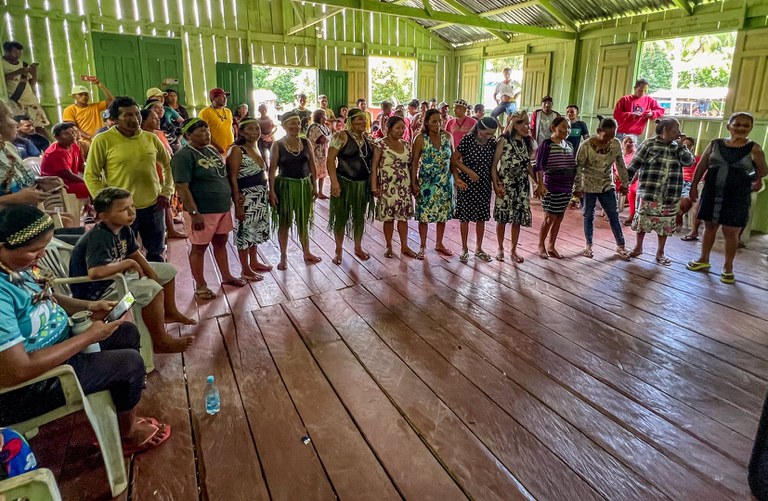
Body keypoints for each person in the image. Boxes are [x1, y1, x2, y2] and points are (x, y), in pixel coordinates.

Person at [0, 205, 171, 456]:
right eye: (34, 251)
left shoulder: (16, 270)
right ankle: (127, 435)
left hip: (57, 352)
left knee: (125, 333)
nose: (41, 255)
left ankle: (117, 412)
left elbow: (47, 298)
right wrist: (88, 337)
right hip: (30, 388)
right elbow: (18, 370)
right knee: (130, 363)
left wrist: (90, 306)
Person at [69, 188, 196, 352]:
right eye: (123, 210)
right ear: (103, 216)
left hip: (115, 278)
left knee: (167, 271)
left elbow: (135, 254)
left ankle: (169, 312)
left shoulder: (124, 229)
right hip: (97, 293)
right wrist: (127, 264)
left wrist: (152, 274)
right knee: (152, 290)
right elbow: (95, 273)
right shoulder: (100, 236)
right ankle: (160, 341)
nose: (131, 213)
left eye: (132, 207)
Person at [85, 96, 173, 262]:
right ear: (115, 119)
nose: (135, 119)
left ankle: (156, 285)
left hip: (153, 206)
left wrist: (167, 191)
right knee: (124, 256)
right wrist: (106, 203)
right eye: (128, 115)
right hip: (121, 210)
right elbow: (91, 175)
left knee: (156, 252)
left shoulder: (150, 138)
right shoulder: (102, 140)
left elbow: (168, 165)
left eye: (137, 114)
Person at [686, 112, 767, 284]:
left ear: (751, 128)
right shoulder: (715, 144)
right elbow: (702, 166)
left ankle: (728, 267)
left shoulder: (755, 148)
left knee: (731, 232)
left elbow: (762, 171)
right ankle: (703, 259)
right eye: (737, 124)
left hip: (737, 196)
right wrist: (693, 187)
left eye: (746, 125)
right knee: (709, 227)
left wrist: (754, 176)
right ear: (728, 126)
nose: (741, 128)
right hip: (712, 192)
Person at [173, 118, 247, 299]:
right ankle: (200, 285)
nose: (206, 135)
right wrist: (193, 213)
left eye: (207, 131)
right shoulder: (184, 156)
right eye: (201, 132)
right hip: (202, 211)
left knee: (221, 243)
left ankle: (227, 276)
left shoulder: (211, 151)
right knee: (199, 248)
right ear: (188, 135)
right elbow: (182, 187)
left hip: (221, 208)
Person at [627, 117, 694, 265]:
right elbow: (634, 165)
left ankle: (660, 252)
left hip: (670, 193)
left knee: (664, 224)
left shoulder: (678, 147)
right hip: (649, 192)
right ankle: (638, 247)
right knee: (643, 221)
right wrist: (625, 183)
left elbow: (689, 162)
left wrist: (683, 146)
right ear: (665, 130)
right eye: (676, 129)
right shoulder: (649, 144)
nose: (679, 132)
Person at [269, 111, 322, 270]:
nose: (296, 126)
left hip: (304, 186)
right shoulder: (277, 145)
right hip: (285, 186)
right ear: (284, 126)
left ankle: (307, 252)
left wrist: (314, 185)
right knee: (284, 222)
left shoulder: (306, 142)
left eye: (298, 123)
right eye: (292, 123)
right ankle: (283, 256)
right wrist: (271, 191)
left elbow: (312, 164)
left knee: (303, 220)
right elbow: (272, 171)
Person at [573, 116, 630, 259]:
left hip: (606, 184)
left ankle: (621, 245)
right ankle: (588, 244)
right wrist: (577, 187)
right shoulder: (586, 145)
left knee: (613, 215)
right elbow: (578, 167)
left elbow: (621, 165)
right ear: (599, 130)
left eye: (612, 136)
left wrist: (625, 184)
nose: (609, 140)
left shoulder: (615, 144)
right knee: (588, 215)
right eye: (606, 136)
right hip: (588, 185)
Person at [327, 108, 375, 265]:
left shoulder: (367, 139)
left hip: (362, 185)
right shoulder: (341, 136)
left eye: (364, 119)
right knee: (341, 217)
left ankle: (358, 247)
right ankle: (338, 250)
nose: (362, 122)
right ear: (350, 121)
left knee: (359, 217)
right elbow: (330, 160)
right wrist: (334, 182)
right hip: (344, 183)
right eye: (359, 119)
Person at [227, 118, 273, 280]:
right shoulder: (237, 150)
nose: (255, 132)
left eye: (257, 129)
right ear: (241, 132)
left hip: (259, 194)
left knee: (255, 230)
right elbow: (232, 178)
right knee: (245, 232)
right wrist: (237, 204)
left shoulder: (257, 147)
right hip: (245, 197)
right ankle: (245, 269)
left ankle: (254, 261)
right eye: (250, 129)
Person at [452, 117, 498, 264]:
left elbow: (493, 166)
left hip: (484, 183)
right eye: (486, 133)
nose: (488, 137)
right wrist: (467, 173)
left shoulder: (492, 143)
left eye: (491, 134)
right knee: (464, 217)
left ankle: (478, 248)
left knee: (481, 217)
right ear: (478, 129)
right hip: (467, 183)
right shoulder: (468, 140)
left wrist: (496, 184)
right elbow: (454, 160)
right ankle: (464, 248)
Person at [491, 110, 535, 263]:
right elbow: (494, 165)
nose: (527, 127)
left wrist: (536, 181)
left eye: (528, 124)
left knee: (517, 219)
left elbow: (527, 164)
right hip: (506, 185)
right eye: (524, 124)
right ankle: (500, 248)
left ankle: (513, 249)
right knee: (502, 218)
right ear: (515, 125)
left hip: (521, 186)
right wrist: (496, 185)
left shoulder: (525, 142)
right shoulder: (503, 141)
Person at [371, 115, 416, 259]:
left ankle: (404, 246)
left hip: (404, 187)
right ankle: (389, 246)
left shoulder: (406, 145)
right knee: (389, 218)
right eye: (397, 128)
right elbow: (374, 167)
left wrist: (413, 183)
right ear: (389, 129)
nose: (401, 131)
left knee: (403, 218)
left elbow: (411, 166)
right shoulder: (380, 144)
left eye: (403, 128)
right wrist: (374, 186)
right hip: (387, 186)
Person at [411, 109, 454, 259]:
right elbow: (414, 161)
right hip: (427, 184)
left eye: (440, 121)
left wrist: (457, 179)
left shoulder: (447, 137)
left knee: (442, 214)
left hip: (444, 182)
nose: (438, 124)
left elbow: (453, 160)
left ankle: (439, 243)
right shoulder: (420, 139)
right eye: (434, 121)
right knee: (424, 215)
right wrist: (413, 182)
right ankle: (422, 245)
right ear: (427, 122)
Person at [139, 108, 186, 240]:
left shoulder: (159, 134)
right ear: (142, 122)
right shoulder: (142, 137)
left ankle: (170, 227)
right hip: (154, 175)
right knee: (160, 204)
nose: (158, 120)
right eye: (153, 118)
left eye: (158, 118)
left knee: (167, 200)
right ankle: (166, 228)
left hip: (166, 172)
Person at [535, 116, 576, 259]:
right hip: (551, 187)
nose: (567, 130)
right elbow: (539, 166)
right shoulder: (546, 144)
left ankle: (551, 246)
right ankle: (541, 245)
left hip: (566, 187)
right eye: (564, 126)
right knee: (549, 218)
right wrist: (540, 184)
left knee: (559, 217)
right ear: (553, 128)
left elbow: (573, 166)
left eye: (569, 127)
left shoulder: (569, 145)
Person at [39, 123, 91, 211]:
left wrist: (93, 175)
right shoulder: (55, 152)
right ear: (57, 137)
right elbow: (68, 175)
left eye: (74, 132)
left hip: (69, 181)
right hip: (58, 185)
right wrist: (88, 182)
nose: (73, 135)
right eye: (67, 134)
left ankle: (90, 209)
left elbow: (81, 167)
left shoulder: (74, 146)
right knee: (89, 187)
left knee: (95, 183)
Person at [2, 41, 49, 135]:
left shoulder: (23, 64)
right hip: (15, 101)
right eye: (15, 53)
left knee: (39, 127)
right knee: (20, 128)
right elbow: (2, 79)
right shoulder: (1, 64)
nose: (17, 56)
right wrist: (17, 72)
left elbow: (32, 84)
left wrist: (34, 73)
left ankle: (47, 148)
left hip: (30, 99)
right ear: (6, 51)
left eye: (19, 54)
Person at [678, 136, 702, 236]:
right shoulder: (676, 158)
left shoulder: (697, 159)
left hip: (690, 183)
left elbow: (703, 172)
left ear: (692, 148)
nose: (686, 148)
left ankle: (678, 219)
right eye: (684, 146)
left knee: (684, 201)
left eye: (689, 146)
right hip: (678, 181)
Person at [199, 88, 234, 155]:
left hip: (230, 148)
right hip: (214, 150)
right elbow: (203, 132)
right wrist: (217, 147)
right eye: (223, 97)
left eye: (225, 97)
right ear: (214, 98)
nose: (225, 99)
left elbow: (230, 128)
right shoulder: (205, 112)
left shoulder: (228, 111)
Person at [307, 109, 332, 199]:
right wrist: (329, 136)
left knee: (323, 173)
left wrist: (329, 136)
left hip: (323, 154)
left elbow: (329, 136)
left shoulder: (324, 126)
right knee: (315, 173)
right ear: (320, 116)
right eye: (324, 115)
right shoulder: (314, 127)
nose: (326, 117)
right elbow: (322, 139)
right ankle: (313, 190)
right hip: (315, 154)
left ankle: (320, 192)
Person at [621, 136, 638, 226]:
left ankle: (632, 214)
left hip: (633, 179)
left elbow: (636, 170)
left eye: (631, 142)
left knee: (632, 190)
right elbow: (615, 166)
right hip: (620, 177)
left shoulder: (636, 155)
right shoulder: (620, 154)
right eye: (626, 141)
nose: (628, 143)